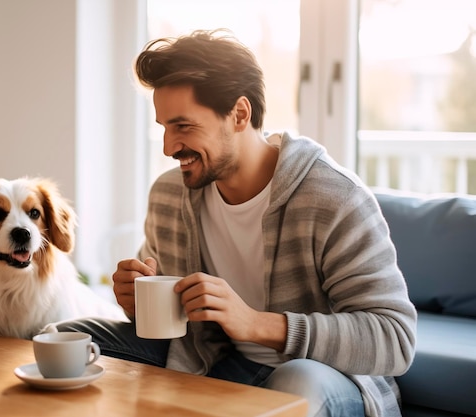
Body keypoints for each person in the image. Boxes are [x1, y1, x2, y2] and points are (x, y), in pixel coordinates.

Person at [54, 29, 416, 417]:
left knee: (294, 385)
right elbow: (170, 312)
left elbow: (394, 339)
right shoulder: (170, 194)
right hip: (216, 361)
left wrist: (257, 325)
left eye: (183, 126)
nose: (168, 147)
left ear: (239, 114)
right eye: (163, 128)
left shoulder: (333, 198)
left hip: (326, 377)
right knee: (64, 341)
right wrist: (135, 303)